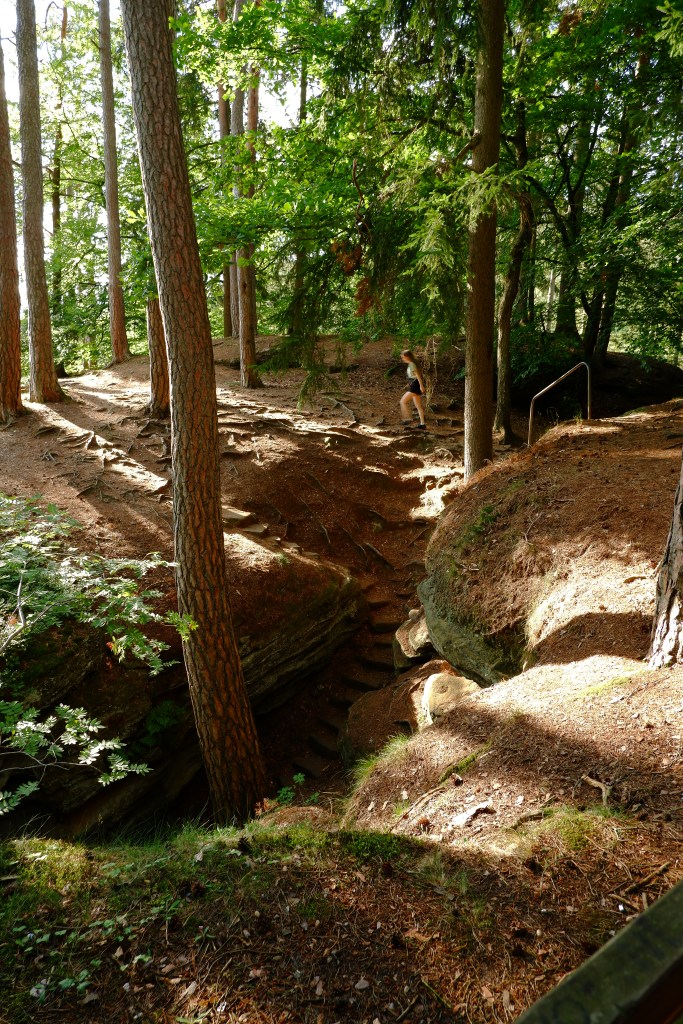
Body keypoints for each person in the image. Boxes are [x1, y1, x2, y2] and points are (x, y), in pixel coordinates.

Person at [399, 349, 426, 429]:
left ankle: (407, 419)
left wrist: (421, 386)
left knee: (402, 401)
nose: (403, 359)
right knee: (418, 406)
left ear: (407, 357)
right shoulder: (411, 364)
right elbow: (413, 376)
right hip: (414, 384)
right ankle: (422, 424)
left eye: (403, 357)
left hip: (415, 385)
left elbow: (418, 375)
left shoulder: (411, 364)